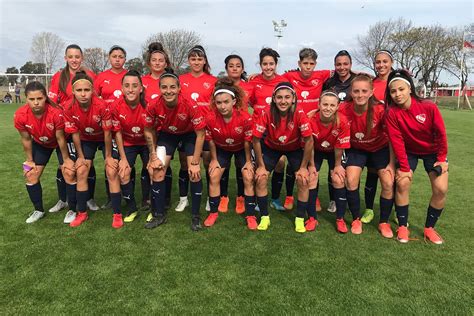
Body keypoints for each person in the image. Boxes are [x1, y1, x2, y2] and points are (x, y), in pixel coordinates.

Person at [385, 69, 448, 244]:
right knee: (402, 183)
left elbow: (441, 134)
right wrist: (404, 168)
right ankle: (403, 226)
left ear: (410, 89)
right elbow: (397, 141)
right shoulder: (391, 113)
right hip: (409, 151)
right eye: (393, 91)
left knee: (441, 189)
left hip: (433, 152)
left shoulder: (428, 107)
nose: (397, 94)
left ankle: (429, 228)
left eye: (401, 89)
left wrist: (442, 159)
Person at [143, 69, 206, 231]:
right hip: (168, 135)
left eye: (172, 87)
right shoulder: (154, 105)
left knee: (194, 172)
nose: (168, 91)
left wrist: (195, 161)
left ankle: (195, 216)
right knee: (157, 171)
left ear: (179, 88)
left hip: (189, 135)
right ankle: (159, 214)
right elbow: (148, 130)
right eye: (164, 87)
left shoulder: (190, 104)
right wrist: (153, 155)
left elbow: (200, 134)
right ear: (160, 89)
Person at [252, 82, 313, 232]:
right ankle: (265, 217)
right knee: (260, 177)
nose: (283, 101)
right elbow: (255, 139)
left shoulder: (299, 113)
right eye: (279, 97)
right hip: (272, 147)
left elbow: (309, 140)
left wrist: (304, 167)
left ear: (293, 98)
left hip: (294, 148)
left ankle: (299, 218)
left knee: (303, 179)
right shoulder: (266, 113)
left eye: (287, 97)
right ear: (273, 98)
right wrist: (260, 165)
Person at [338, 74, 395, 236]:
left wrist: (392, 163)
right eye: (356, 91)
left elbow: (392, 137)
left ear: (371, 92)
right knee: (351, 179)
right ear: (351, 92)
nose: (360, 95)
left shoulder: (380, 110)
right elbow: (325, 111)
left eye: (364, 91)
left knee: (388, 182)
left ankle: (384, 222)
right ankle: (356, 219)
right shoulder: (344, 108)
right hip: (357, 149)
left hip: (380, 149)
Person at [63, 71, 119, 228]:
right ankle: (82, 214)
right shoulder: (68, 107)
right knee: (81, 170)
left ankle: (117, 214)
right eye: (79, 90)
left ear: (92, 90)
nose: (83, 94)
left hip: (104, 138)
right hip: (86, 140)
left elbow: (108, 133)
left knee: (111, 170)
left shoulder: (102, 105)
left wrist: (108, 156)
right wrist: (80, 156)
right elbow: (74, 134)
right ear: (73, 91)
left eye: (86, 90)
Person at [48, 44, 100, 213]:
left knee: (86, 163)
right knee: (65, 164)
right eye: (70, 57)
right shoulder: (58, 77)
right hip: (64, 127)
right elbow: (52, 102)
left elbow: (95, 100)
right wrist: (63, 117)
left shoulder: (90, 75)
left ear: (82, 57)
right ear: (65, 58)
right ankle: (63, 199)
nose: (74, 60)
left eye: (77, 56)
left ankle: (89, 198)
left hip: (84, 129)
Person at [13, 81, 74, 224]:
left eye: (39, 98)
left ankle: (72, 208)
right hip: (41, 144)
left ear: (45, 97)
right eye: (32, 99)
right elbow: (26, 140)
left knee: (69, 171)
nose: (36, 102)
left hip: (63, 141)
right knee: (30, 174)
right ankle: (38, 210)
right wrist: (29, 161)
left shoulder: (56, 113)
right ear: (25, 98)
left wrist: (66, 160)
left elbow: (60, 138)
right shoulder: (20, 115)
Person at [283, 48, 332, 212]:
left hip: (313, 127)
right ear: (299, 63)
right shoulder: (290, 76)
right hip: (294, 126)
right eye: (305, 63)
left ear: (315, 64)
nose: (308, 67)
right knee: (292, 164)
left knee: (312, 165)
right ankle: (289, 195)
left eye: (311, 64)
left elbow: (342, 70)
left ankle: (314, 196)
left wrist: (366, 74)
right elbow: (272, 79)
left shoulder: (321, 75)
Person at [203, 78, 255, 228]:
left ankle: (250, 215)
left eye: (226, 102)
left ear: (234, 101)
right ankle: (213, 213)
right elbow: (211, 140)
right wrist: (213, 159)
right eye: (219, 103)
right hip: (222, 149)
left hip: (241, 148)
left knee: (247, 175)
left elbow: (247, 142)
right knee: (213, 175)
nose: (222, 106)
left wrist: (247, 161)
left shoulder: (245, 118)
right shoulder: (210, 118)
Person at [248, 48, 290, 212]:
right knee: (259, 165)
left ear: (276, 64)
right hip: (259, 131)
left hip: (278, 130)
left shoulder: (283, 80)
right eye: (265, 64)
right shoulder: (253, 82)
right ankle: (258, 200)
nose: (268, 67)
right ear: (260, 64)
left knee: (280, 163)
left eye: (271, 64)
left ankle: (275, 198)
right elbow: (251, 103)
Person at [177, 45, 217, 213]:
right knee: (185, 165)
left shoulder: (213, 80)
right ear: (188, 60)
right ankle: (183, 199)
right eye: (193, 59)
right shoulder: (181, 79)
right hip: (186, 130)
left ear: (204, 61)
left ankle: (209, 197)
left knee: (207, 164)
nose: (196, 62)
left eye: (199, 59)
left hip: (206, 130)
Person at [306, 91, 350, 231]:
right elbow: (309, 144)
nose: (328, 108)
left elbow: (339, 148)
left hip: (334, 152)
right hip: (316, 150)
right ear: (319, 104)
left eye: (332, 105)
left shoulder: (342, 121)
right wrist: (312, 165)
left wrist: (337, 166)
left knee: (338, 179)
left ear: (337, 106)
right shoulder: (310, 119)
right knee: (311, 177)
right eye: (325, 104)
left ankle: (340, 218)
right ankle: (312, 218)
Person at [360, 49, 395, 224]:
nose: (381, 65)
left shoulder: (396, 83)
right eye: (378, 62)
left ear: (391, 63)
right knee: (372, 173)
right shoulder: (371, 84)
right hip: (376, 137)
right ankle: (369, 209)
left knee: (393, 175)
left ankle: (396, 209)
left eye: (384, 61)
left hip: (394, 137)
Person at [320, 50, 357, 213]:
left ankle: (345, 198)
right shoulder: (329, 83)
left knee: (344, 169)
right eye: (338, 64)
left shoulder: (356, 81)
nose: (342, 67)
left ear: (350, 64)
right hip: (329, 132)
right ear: (334, 65)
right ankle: (334, 200)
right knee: (331, 169)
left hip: (349, 132)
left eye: (345, 64)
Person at [111, 70, 149, 223]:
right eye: (127, 86)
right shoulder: (116, 106)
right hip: (128, 143)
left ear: (141, 88)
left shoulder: (149, 105)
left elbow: (152, 132)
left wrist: (153, 156)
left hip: (147, 143)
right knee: (124, 172)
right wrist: (123, 159)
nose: (131, 89)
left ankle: (153, 207)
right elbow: (118, 133)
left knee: (154, 170)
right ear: (122, 88)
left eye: (134, 85)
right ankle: (132, 208)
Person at [219, 54, 254, 214]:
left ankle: (241, 197)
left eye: (238, 65)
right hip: (224, 132)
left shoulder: (250, 86)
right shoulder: (219, 85)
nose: (234, 68)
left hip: (242, 134)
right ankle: (223, 196)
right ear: (226, 69)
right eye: (231, 65)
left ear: (242, 68)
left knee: (242, 166)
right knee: (223, 166)